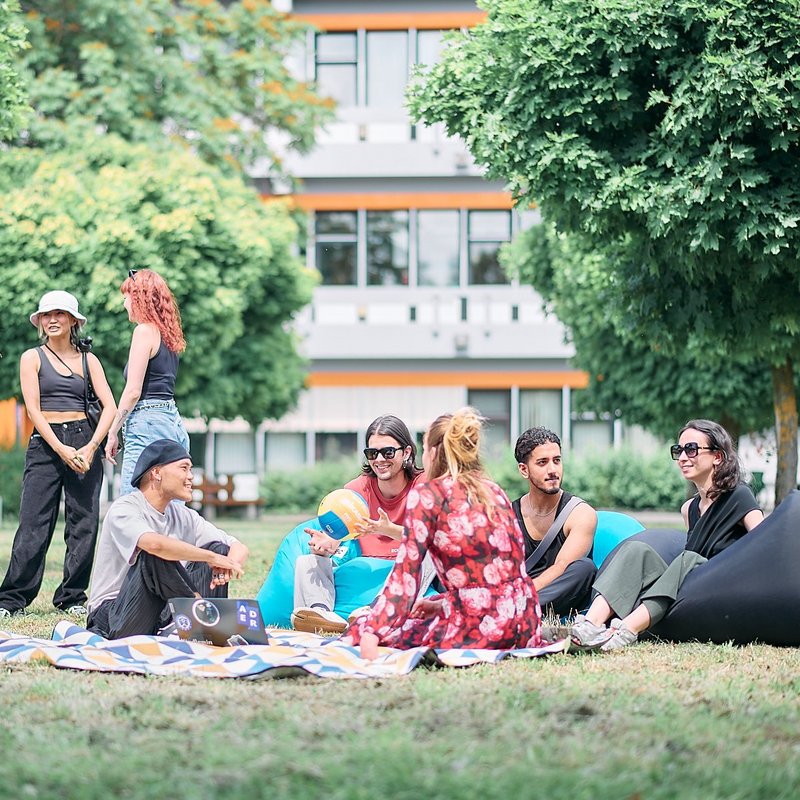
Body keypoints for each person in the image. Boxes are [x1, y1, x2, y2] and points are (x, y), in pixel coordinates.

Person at [342, 407, 542, 661]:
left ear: (435, 452)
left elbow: (405, 577)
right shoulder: (493, 490)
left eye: (424, 448)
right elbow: (505, 572)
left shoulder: (428, 496)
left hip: (484, 630)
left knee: (361, 624)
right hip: (524, 622)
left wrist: (372, 632)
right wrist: (443, 605)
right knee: (431, 605)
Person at [570, 419, 763, 652]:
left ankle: (625, 629)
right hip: (693, 586)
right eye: (678, 450)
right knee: (637, 550)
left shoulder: (739, 496)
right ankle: (591, 624)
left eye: (691, 449)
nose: (682, 457)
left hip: (725, 588)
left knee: (689, 559)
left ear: (717, 456)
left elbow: (762, 545)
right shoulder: (689, 509)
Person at [0, 291, 116, 619]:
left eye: (60, 314)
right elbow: (33, 410)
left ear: (73, 321)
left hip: (84, 441)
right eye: (46, 315)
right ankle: (11, 600)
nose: (52, 320)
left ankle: (72, 597)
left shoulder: (88, 360)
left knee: (84, 522)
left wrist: (91, 447)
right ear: (40, 322)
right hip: (46, 443)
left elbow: (110, 406)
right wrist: (61, 448)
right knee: (34, 521)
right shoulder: (31, 357)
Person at [86, 439, 249, 639]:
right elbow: (154, 545)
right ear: (156, 472)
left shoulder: (183, 515)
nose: (191, 477)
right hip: (113, 615)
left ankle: (206, 632)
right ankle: (199, 612)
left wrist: (227, 562)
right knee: (154, 553)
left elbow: (237, 546)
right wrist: (210, 560)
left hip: (158, 613)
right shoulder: (124, 508)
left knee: (219, 549)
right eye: (184, 468)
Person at [290, 414, 427, 634]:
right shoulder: (356, 490)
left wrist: (386, 529)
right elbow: (340, 537)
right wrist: (328, 543)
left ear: (407, 452)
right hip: (363, 563)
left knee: (426, 557)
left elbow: (429, 539)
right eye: (372, 453)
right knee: (307, 561)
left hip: (408, 569)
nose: (379, 459)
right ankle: (320, 613)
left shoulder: (423, 485)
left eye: (388, 452)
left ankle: (375, 610)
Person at [105, 269, 189, 497]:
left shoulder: (144, 332)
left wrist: (112, 432)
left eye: (126, 297)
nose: (124, 304)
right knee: (169, 506)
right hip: (172, 421)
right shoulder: (168, 336)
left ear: (139, 299)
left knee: (133, 503)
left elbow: (133, 391)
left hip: (147, 423)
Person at [512, 427, 598, 617]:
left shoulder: (580, 513)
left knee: (584, 568)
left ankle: (519, 611)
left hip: (558, 594)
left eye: (557, 461)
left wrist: (520, 597)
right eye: (542, 463)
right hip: (517, 591)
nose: (552, 470)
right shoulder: (508, 515)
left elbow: (562, 566)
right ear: (524, 470)